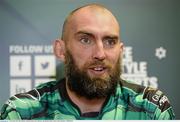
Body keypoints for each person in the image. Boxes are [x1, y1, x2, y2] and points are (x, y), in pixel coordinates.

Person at [0, 3, 175, 120]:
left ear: (120, 51)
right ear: (61, 50)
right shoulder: (23, 111)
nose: (100, 53)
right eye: (85, 40)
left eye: (110, 42)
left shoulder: (150, 108)